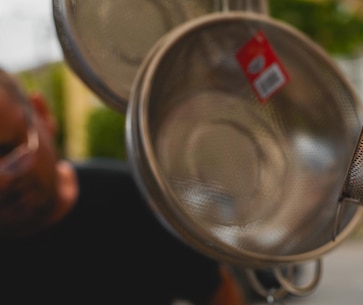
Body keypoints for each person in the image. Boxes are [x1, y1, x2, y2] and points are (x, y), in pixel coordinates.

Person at [0, 67, 247, 305]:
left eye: (11, 151)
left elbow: (217, 291)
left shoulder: (133, 200)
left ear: (40, 113)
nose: (4, 181)